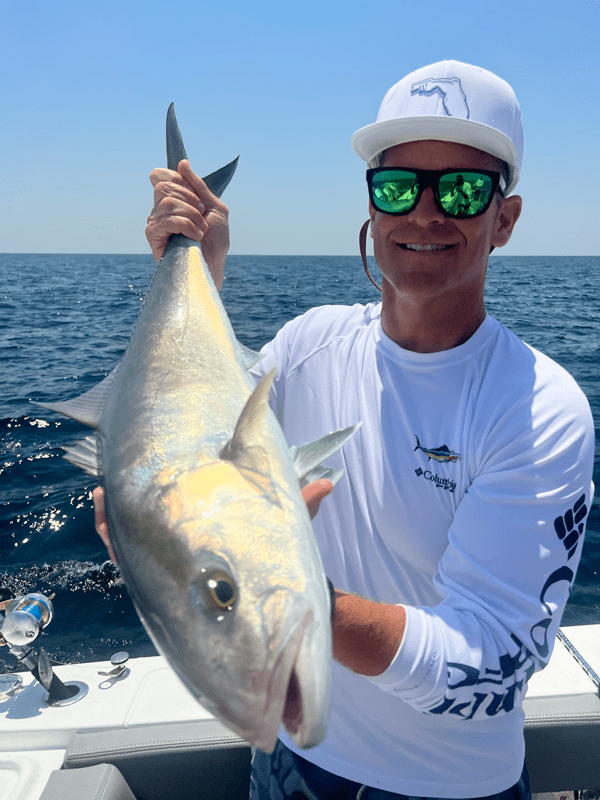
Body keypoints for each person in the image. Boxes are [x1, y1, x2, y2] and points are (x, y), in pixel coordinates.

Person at [94, 61, 595, 800]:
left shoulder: (540, 407)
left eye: (462, 189)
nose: (425, 213)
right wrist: (200, 263)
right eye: (397, 187)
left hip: (451, 788)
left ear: (505, 219)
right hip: (289, 759)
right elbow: (192, 431)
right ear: (371, 205)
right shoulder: (306, 345)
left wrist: (297, 604)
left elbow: (492, 665)